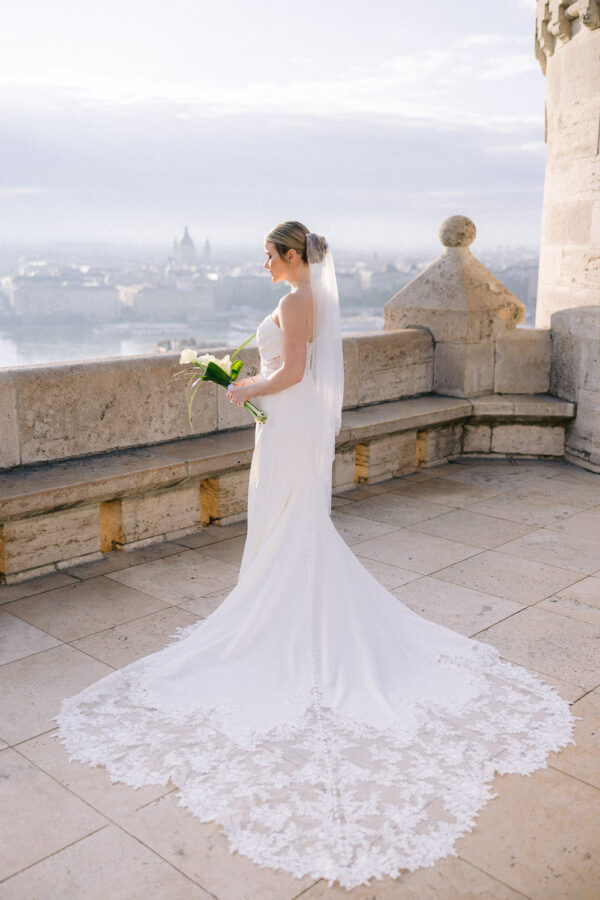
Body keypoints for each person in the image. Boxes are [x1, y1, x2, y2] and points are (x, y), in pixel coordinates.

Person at [58, 221, 574, 891]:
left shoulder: (299, 300)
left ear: (293, 255)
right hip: (294, 421)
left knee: (286, 522)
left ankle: (279, 620)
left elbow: (293, 372)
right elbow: (295, 369)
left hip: (288, 421)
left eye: (270, 254)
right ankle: (282, 604)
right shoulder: (313, 299)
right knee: (290, 524)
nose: (263, 262)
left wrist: (241, 388)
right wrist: (255, 379)